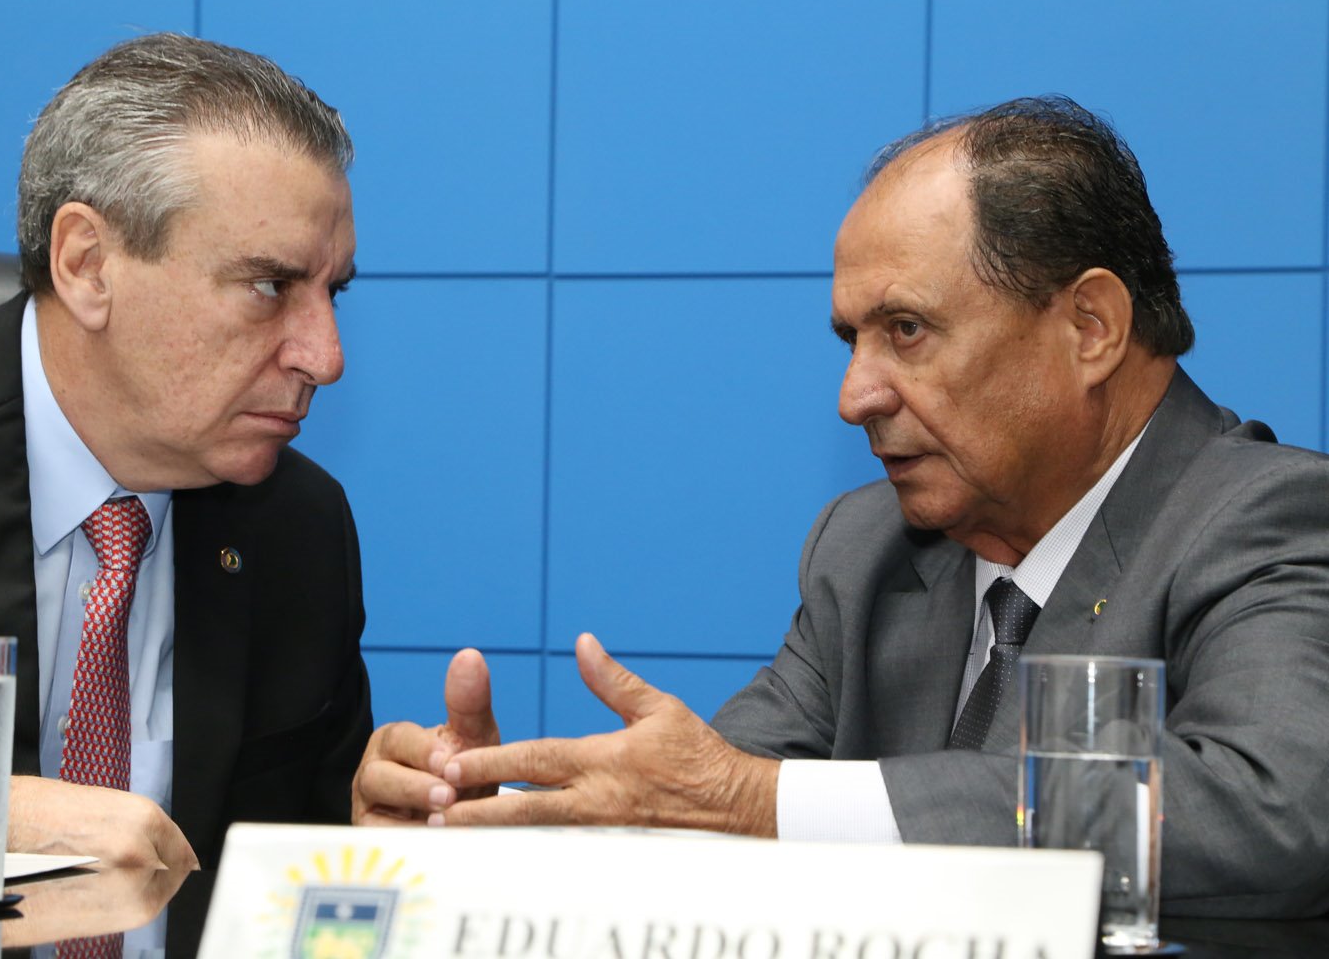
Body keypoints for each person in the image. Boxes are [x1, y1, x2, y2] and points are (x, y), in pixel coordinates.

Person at [352, 96, 1329, 918]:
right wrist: (491, 828)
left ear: (1091, 327)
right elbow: (702, 802)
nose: (855, 395)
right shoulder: (866, 550)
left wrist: (759, 801)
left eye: (906, 330)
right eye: (850, 339)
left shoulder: (1273, 518)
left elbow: (1275, 810)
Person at [0, 33, 370, 871]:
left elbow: (304, 858)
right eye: (269, 286)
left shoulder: (300, 527)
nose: (325, 358)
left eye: (331, 292)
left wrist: (391, 836)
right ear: (87, 265)